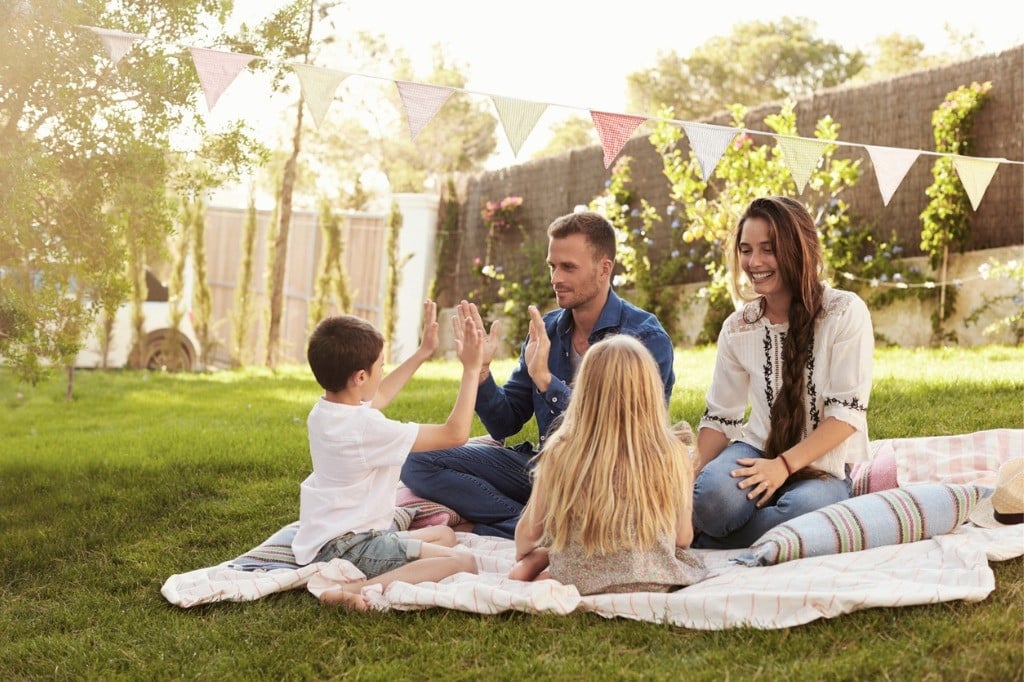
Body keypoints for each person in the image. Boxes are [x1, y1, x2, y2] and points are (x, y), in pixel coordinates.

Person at [400, 210, 676, 539]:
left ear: (604, 269)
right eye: (552, 266)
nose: (555, 278)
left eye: (568, 267)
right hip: (546, 471)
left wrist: (547, 381)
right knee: (416, 459)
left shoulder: (644, 338)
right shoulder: (546, 329)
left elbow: (623, 429)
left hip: (609, 480)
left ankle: (520, 526)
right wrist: (481, 372)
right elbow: (506, 423)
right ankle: (532, 526)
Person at [692, 196, 874, 549]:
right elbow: (720, 417)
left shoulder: (844, 312)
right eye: (746, 250)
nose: (754, 262)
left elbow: (846, 415)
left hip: (823, 463)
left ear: (796, 249)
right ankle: (747, 529)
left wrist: (783, 467)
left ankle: (710, 539)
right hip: (756, 448)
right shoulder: (738, 328)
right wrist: (689, 477)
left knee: (805, 509)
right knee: (713, 501)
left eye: (768, 249)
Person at [292, 301, 484, 611]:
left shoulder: (326, 411)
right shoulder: (365, 428)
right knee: (463, 561)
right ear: (360, 378)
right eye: (381, 365)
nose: (384, 371)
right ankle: (354, 588)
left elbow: (377, 397)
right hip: (353, 546)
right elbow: (455, 434)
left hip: (328, 537)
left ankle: (369, 573)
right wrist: (472, 369)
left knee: (445, 535)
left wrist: (423, 351)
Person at [508, 335, 707, 594]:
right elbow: (683, 538)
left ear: (585, 393)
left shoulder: (562, 451)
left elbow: (526, 537)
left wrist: (536, 553)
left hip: (580, 579)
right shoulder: (674, 453)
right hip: (654, 577)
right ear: (650, 390)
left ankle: (549, 559)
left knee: (523, 571)